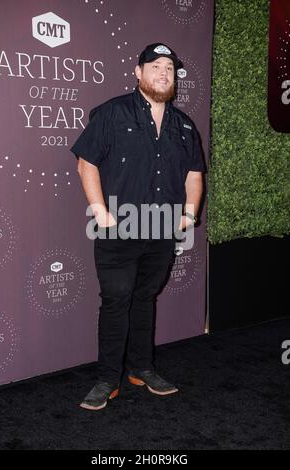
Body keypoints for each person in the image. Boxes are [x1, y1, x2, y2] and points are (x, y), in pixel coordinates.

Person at [71, 43, 206, 411]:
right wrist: (100, 212)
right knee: (116, 302)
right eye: (156, 66)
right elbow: (87, 162)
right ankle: (106, 379)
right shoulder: (113, 113)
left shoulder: (183, 125)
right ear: (138, 71)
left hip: (162, 231)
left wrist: (189, 215)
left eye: (170, 68)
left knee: (145, 299)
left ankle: (141, 369)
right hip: (118, 229)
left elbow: (195, 174)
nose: (164, 73)